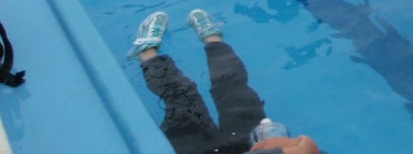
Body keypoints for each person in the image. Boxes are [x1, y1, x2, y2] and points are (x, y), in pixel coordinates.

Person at [128, 9, 320, 154]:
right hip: (248, 145)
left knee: (182, 100)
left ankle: (147, 52)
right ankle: (213, 39)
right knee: (236, 92)